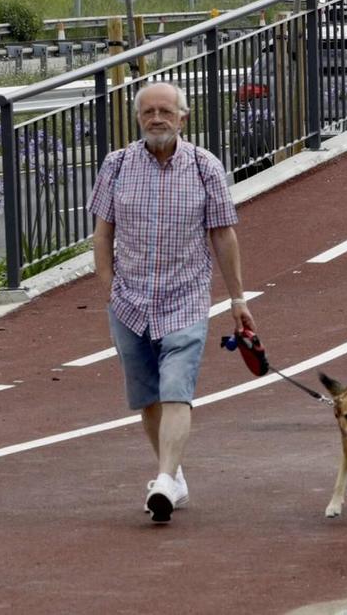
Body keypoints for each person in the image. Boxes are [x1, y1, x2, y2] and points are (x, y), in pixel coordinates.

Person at [89, 80, 253, 524]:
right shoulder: (117, 165)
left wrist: (238, 298)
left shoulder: (204, 167)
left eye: (165, 111)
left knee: (177, 388)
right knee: (148, 397)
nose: (156, 119)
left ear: (184, 116)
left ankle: (162, 480)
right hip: (129, 300)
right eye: (148, 112)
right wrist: (107, 286)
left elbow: (223, 233)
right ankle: (174, 476)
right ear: (138, 119)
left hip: (185, 298)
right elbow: (103, 233)